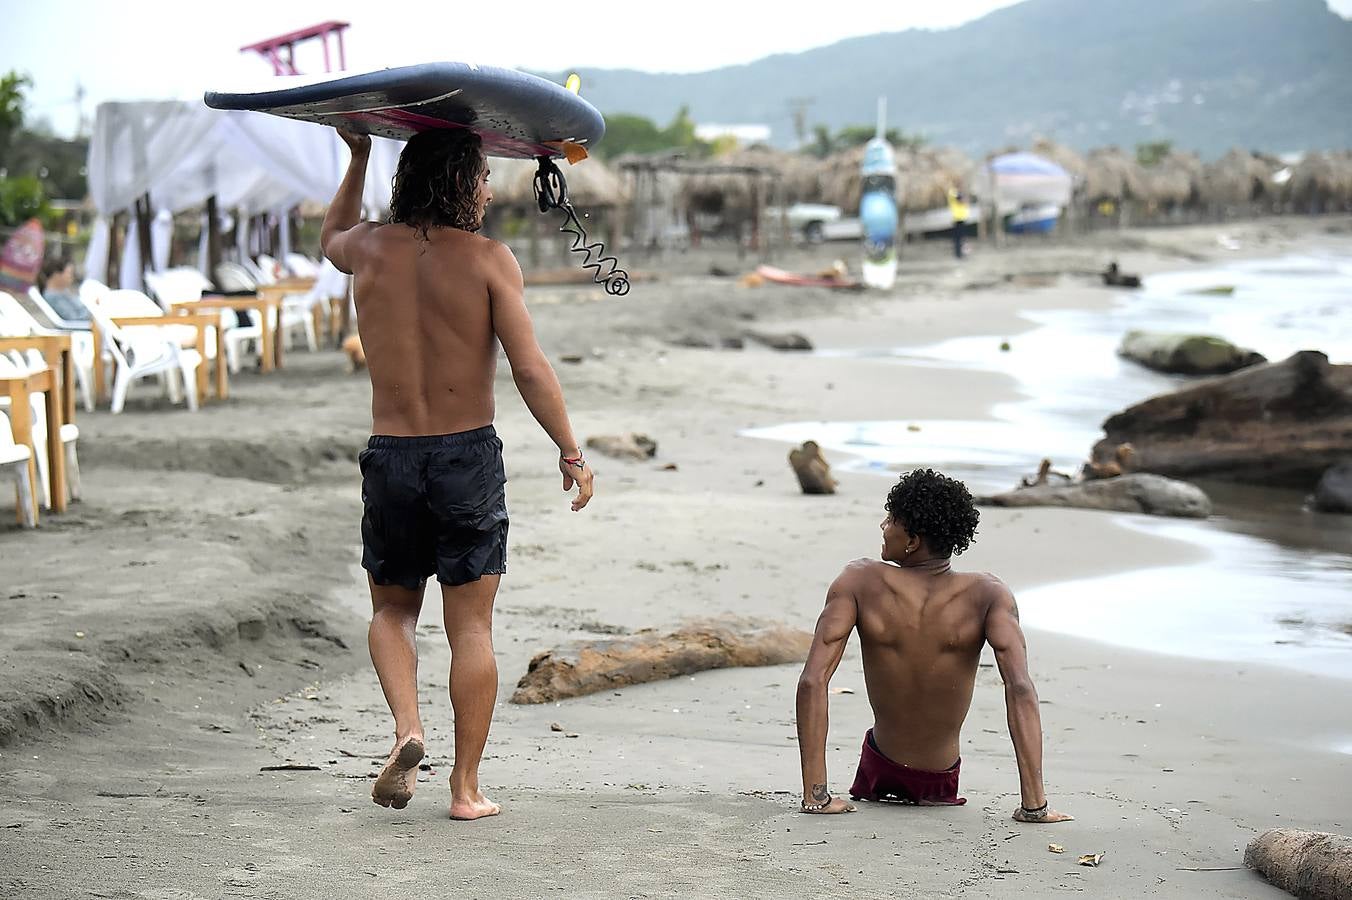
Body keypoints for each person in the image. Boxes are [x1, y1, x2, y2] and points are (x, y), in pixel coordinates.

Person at [320, 127, 595, 821]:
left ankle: (407, 730)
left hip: (392, 455)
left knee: (391, 609)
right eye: (479, 176)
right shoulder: (488, 260)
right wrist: (570, 451)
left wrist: (356, 156)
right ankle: (465, 790)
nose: (489, 187)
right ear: (457, 184)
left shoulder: (371, 249)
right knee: (471, 628)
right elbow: (529, 366)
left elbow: (332, 235)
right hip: (465, 457)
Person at [795, 468, 1071, 823]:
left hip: (877, 771)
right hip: (940, 781)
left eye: (892, 518)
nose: (883, 526)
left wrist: (816, 797)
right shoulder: (988, 594)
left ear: (912, 539)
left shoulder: (859, 581)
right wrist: (1034, 805)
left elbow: (812, 680)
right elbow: (1020, 688)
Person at [35, 256, 90, 327]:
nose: (72, 276)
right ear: (56, 275)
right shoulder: (52, 297)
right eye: (70, 273)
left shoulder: (64, 292)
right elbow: (73, 319)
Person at [946, 188, 969, 260]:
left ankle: (961, 254)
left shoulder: (962, 205)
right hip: (957, 222)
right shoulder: (955, 204)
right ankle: (958, 254)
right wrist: (955, 192)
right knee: (957, 240)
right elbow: (950, 195)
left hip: (961, 222)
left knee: (961, 240)